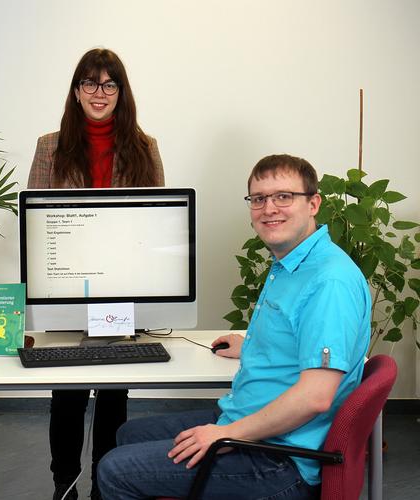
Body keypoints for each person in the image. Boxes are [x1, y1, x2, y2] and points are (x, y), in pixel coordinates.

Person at [96, 154, 371, 499]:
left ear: (313, 203)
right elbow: (298, 335)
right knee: (129, 434)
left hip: (279, 459)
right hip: (255, 425)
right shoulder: (292, 262)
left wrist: (228, 435)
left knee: (115, 470)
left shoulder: (329, 281)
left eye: (283, 196)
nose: (269, 208)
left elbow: (315, 397)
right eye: (259, 199)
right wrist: (254, 345)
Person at [27, 48, 165, 500]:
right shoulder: (50, 145)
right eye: (90, 83)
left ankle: (107, 487)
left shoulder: (145, 148)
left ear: (121, 92)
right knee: (66, 395)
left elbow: (157, 221)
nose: (99, 93)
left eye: (109, 84)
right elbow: (35, 220)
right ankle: (63, 488)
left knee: (112, 396)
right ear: (76, 90)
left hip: (122, 287)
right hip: (68, 284)